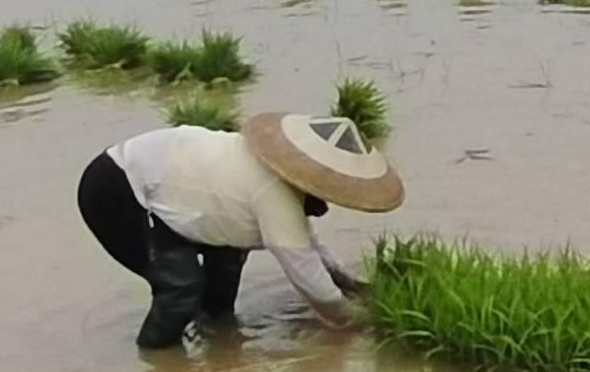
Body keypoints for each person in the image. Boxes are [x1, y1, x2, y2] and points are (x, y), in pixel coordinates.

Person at [76, 111, 398, 351]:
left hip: (170, 189)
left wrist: (352, 283)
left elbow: (309, 246)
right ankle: (158, 362)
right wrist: (358, 322)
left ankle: (217, 335)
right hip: (118, 188)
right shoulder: (275, 192)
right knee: (181, 286)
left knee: (229, 258)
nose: (326, 207)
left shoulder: (280, 177)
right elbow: (306, 273)